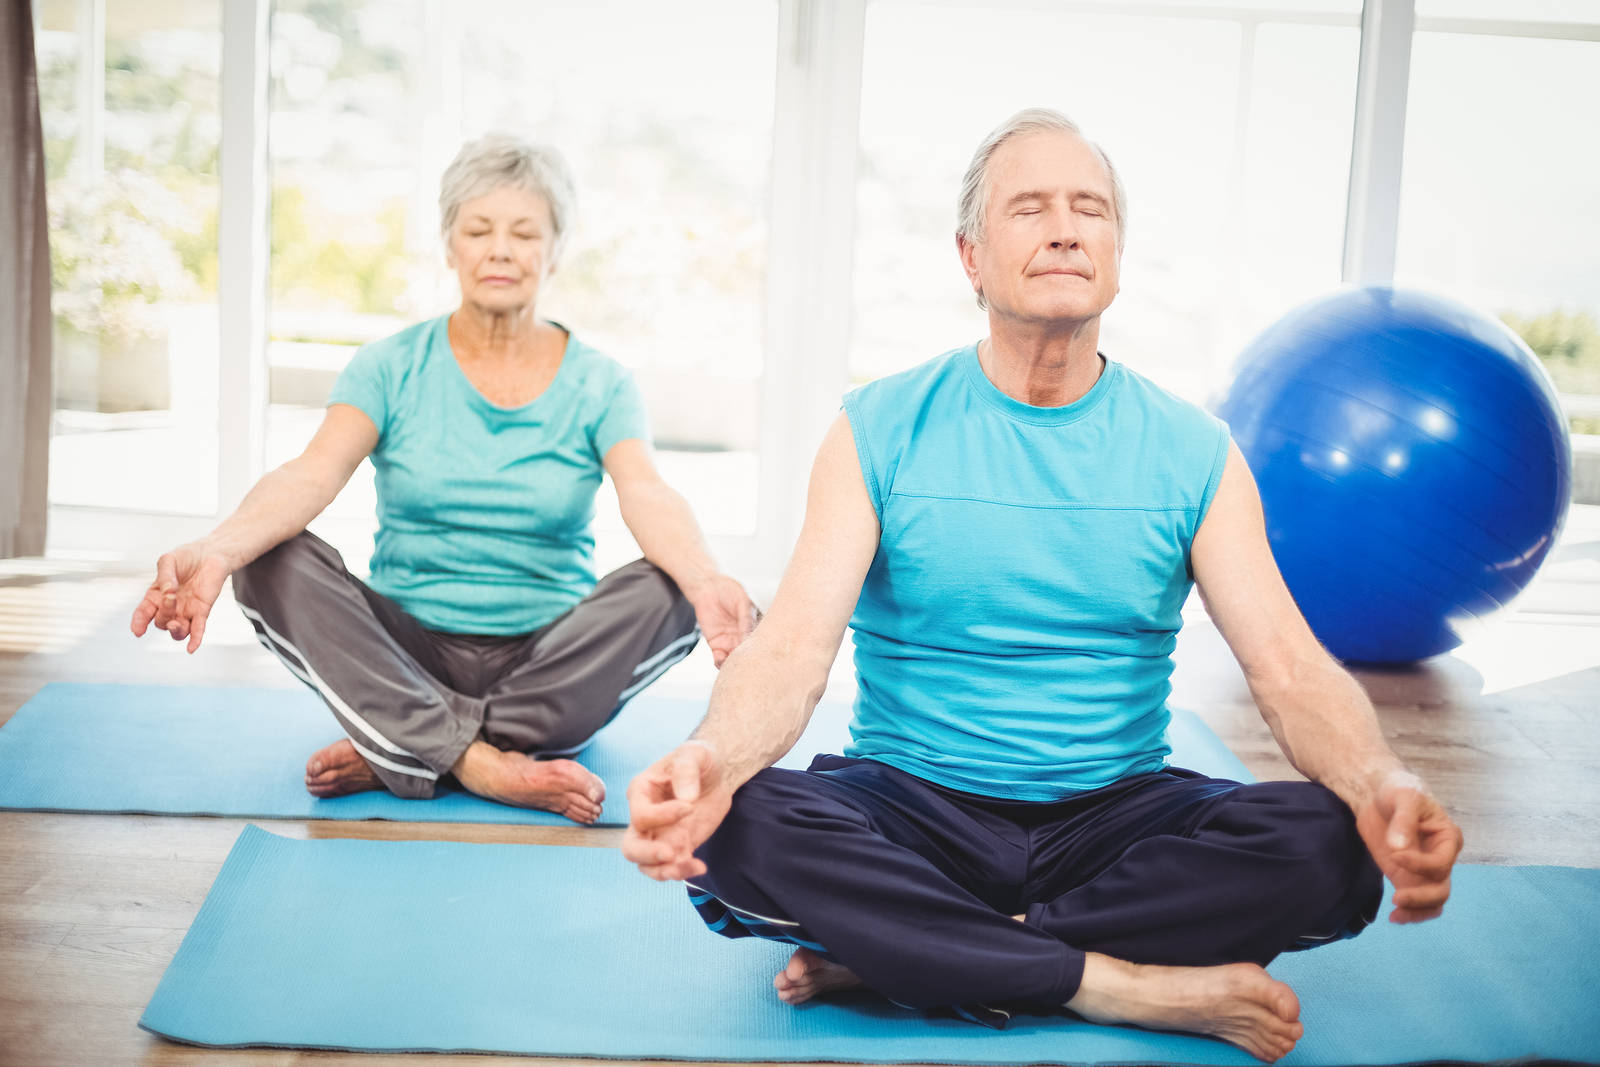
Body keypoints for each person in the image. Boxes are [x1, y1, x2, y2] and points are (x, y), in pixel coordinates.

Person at [622, 109, 1463, 1061]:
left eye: (1090, 209)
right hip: (913, 805)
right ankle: (1115, 983)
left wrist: (1379, 777)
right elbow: (794, 650)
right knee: (746, 825)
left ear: (1115, 251)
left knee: (1334, 843)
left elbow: (1286, 667)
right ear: (971, 257)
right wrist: (711, 759)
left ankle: (918, 954)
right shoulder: (878, 428)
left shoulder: (1195, 450)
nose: (1067, 227)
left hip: (1117, 816)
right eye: (1031, 208)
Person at [130, 134, 755, 823]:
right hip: (406, 650)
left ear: (556, 248)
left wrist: (705, 577)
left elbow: (647, 492)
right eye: (478, 229)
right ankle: (483, 764)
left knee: (671, 583)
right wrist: (219, 548)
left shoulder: (601, 382)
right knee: (268, 557)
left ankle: (401, 743)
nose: (499, 249)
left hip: (547, 662)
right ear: (449, 243)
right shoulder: (389, 365)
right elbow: (313, 470)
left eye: (524, 232)